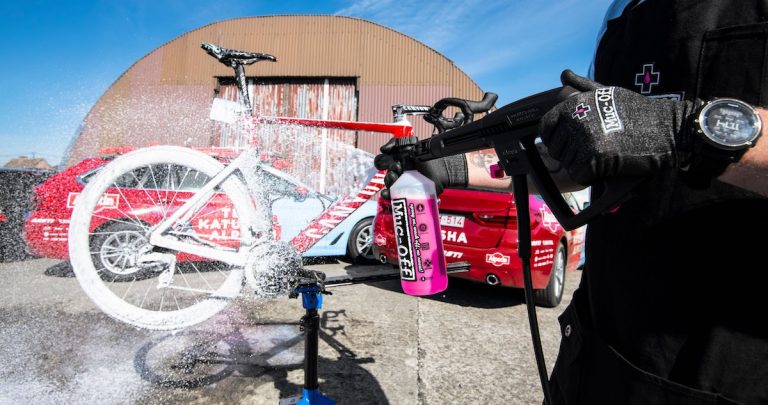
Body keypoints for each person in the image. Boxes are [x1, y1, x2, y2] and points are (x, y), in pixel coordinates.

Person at [375, 1, 768, 403]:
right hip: (596, 353)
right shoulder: (620, 13)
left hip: (725, 373)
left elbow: (651, 130)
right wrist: (452, 167)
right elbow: (572, 162)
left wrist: (688, 130)